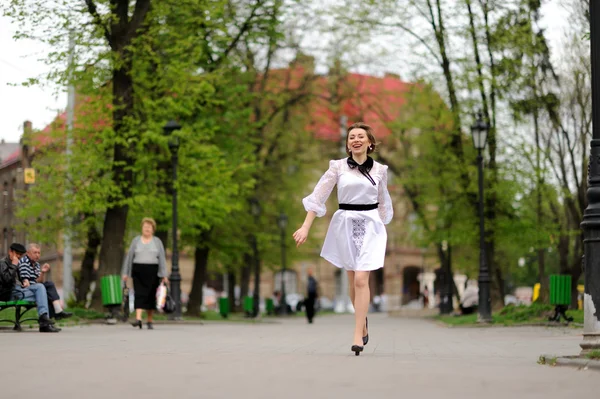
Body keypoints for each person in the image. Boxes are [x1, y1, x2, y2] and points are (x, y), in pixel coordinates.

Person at [293, 122, 393, 356]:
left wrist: (380, 227)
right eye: (351, 137)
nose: (355, 140)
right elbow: (318, 196)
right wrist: (305, 227)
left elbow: (382, 200)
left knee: (361, 279)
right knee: (352, 281)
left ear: (370, 143)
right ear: (348, 144)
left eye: (360, 136)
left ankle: (357, 335)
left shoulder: (380, 170)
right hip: (345, 224)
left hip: (370, 225)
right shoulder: (337, 168)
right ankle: (363, 322)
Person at [122, 217, 168, 330]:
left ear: (153, 229)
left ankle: (150, 320)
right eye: (145, 227)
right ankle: (138, 319)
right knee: (139, 294)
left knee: (151, 296)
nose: (147, 229)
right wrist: (125, 272)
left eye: (149, 227)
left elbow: (162, 259)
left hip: (153, 271)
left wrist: (164, 275)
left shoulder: (157, 242)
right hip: (138, 270)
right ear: (142, 228)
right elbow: (129, 257)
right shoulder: (136, 241)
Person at [4, 243, 61, 332]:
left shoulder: (20, 263)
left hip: (20, 291)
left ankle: (45, 322)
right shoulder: (3, 263)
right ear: (10, 252)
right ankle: (45, 322)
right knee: (42, 290)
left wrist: (25, 281)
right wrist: (14, 266)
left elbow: (22, 279)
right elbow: (6, 279)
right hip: (9, 293)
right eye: (16, 254)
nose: (18, 256)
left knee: (43, 290)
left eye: (20, 254)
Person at [18, 243, 72, 320]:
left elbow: (39, 281)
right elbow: (26, 281)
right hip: (25, 291)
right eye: (35, 252)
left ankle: (50, 319)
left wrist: (42, 272)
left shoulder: (36, 264)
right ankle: (56, 312)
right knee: (46, 290)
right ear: (28, 253)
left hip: (35, 288)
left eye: (39, 253)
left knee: (48, 288)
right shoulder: (24, 262)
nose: (37, 255)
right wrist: (36, 288)